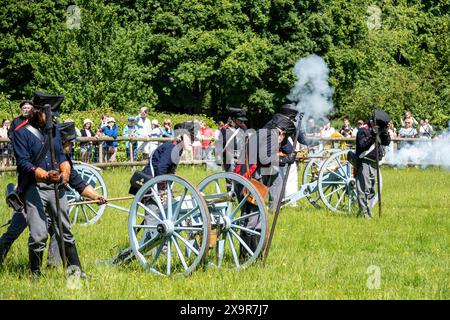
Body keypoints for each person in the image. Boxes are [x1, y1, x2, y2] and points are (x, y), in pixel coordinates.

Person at [0, 122, 106, 269]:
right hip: (28, 201)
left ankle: (52, 265)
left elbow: (78, 183)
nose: (72, 146)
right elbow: (25, 171)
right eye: (70, 143)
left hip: (52, 199)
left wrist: (96, 197)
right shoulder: (36, 154)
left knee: (59, 232)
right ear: (62, 143)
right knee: (13, 233)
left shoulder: (64, 160)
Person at [11, 92, 83, 279]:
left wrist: (65, 172)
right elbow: (23, 163)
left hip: (57, 186)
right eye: (47, 113)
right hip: (35, 186)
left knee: (65, 231)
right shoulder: (21, 132)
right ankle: (35, 275)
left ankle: (75, 272)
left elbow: (61, 156)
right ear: (37, 111)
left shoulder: (54, 130)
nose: (52, 117)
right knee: (39, 235)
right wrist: (44, 174)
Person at [349, 110, 391, 218]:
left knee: (372, 190)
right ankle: (364, 213)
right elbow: (362, 146)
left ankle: (367, 211)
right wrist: (372, 135)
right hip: (364, 162)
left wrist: (385, 133)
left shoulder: (379, 130)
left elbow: (386, 142)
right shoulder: (363, 130)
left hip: (375, 163)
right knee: (363, 190)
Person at [215, 108, 248, 175]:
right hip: (230, 158)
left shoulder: (243, 127)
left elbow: (246, 141)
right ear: (233, 119)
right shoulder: (225, 129)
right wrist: (218, 158)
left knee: (242, 178)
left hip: (241, 157)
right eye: (240, 120)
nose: (242, 122)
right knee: (230, 179)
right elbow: (219, 144)